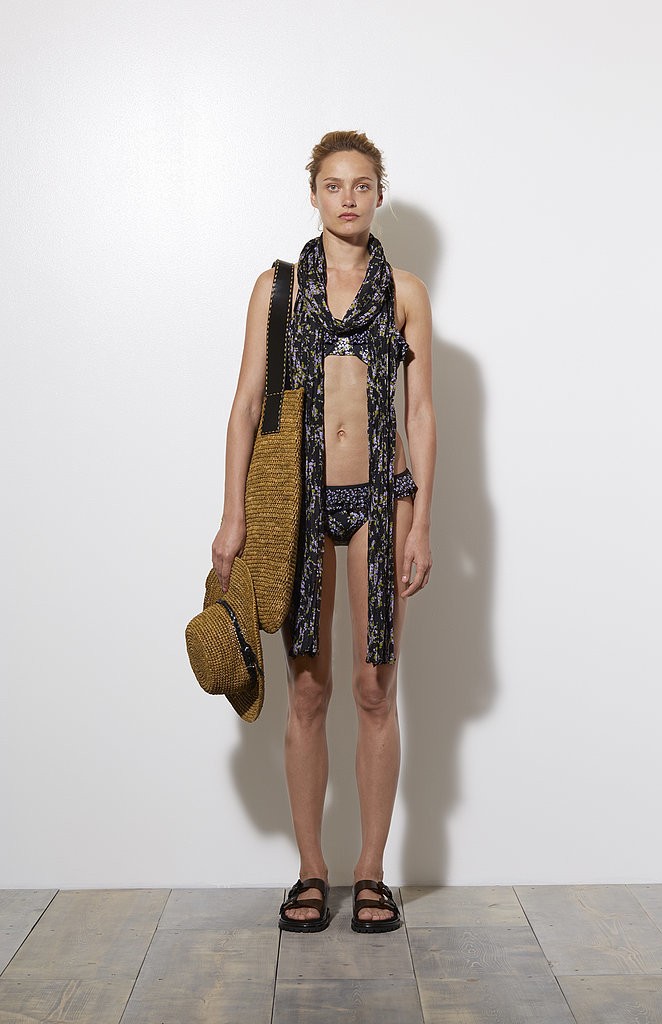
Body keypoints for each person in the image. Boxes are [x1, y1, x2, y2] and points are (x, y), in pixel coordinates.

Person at [212, 131, 436, 933]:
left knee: (375, 688)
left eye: (362, 185)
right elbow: (245, 404)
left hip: (381, 497)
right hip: (298, 504)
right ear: (313, 194)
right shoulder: (277, 288)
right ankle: (311, 870)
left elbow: (419, 412)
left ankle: (371, 872)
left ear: (378, 194)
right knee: (307, 690)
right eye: (334, 184)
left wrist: (422, 522)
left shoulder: (405, 291)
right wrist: (234, 515)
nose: (348, 197)